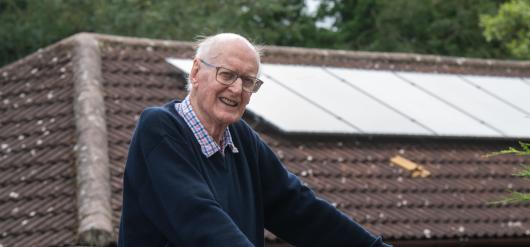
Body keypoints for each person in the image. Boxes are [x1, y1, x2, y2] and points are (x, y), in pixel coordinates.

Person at [118, 33, 390, 247]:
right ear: (195, 72)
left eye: (249, 81)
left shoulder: (242, 139)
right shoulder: (160, 128)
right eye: (227, 75)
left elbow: (298, 208)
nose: (236, 89)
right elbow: (198, 217)